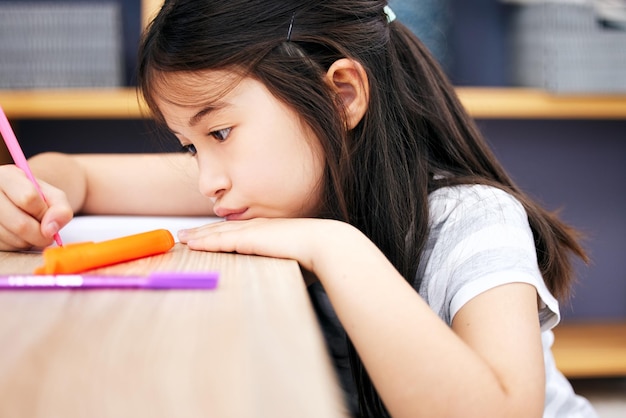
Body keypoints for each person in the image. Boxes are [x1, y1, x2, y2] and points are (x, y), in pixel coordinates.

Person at [0, 1, 598, 417]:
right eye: (190, 145)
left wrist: (335, 245)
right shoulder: (262, 184)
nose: (206, 179)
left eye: (222, 132)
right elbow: (73, 172)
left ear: (340, 96)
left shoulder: (473, 218)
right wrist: (35, 192)